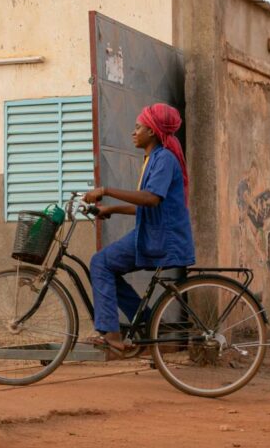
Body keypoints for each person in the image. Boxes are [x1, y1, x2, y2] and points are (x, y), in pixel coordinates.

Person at [83, 102, 195, 355]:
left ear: (152, 131)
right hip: (153, 233)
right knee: (106, 266)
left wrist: (106, 190)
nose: (133, 132)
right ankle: (146, 320)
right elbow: (148, 205)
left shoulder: (164, 159)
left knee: (101, 263)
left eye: (138, 127)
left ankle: (112, 333)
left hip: (161, 238)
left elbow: (151, 199)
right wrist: (110, 209)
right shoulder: (154, 159)